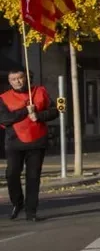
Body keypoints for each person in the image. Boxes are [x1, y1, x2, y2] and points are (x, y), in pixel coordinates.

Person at [0, 70, 57, 222]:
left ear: (26, 79)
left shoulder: (40, 91)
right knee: (11, 174)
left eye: (20, 78)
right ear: (9, 81)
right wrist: (26, 111)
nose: (17, 82)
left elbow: (54, 111)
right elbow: (5, 119)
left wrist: (38, 116)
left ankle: (31, 211)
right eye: (13, 79)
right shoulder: (4, 98)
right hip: (14, 142)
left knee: (33, 177)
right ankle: (17, 203)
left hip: (37, 140)